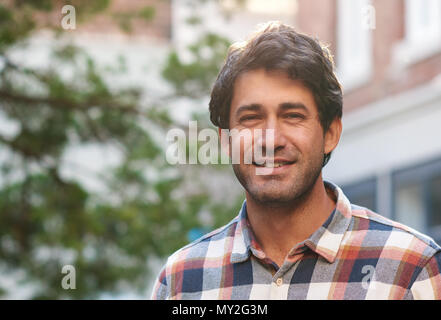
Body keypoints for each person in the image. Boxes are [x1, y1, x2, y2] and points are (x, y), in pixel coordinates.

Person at [151, 21, 441, 300]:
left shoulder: (410, 270)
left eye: (292, 116)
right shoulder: (181, 281)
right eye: (251, 118)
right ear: (227, 140)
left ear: (330, 133)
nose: (271, 139)